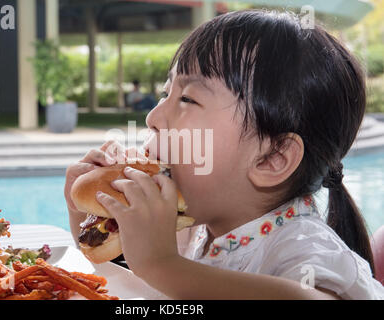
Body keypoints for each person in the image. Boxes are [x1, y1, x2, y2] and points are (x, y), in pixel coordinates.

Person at [64, 10, 384, 299]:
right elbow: (130, 285)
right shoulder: (194, 230)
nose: (153, 117)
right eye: (166, 93)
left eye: (188, 99)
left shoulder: (302, 252)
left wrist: (164, 265)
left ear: (271, 159)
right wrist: (91, 218)